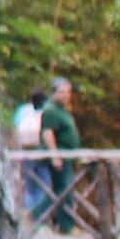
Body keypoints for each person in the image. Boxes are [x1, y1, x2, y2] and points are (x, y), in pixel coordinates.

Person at [42, 75, 83, 230]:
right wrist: (55, 155)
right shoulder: (51, 109)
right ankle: (66, 227)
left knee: (64, 190)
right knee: (64, 191)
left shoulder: (62, 109)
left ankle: (64, 225)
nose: (66, 95)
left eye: (68, 92)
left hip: (68, 157)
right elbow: (47, 133)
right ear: (54, 92)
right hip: (61, 157)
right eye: (63, 92)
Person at [13, 85, 50, 225]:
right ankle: (40, 220)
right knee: (45, 186)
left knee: (30, 188)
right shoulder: (47, 110)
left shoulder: (22, 110)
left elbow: (15, 133)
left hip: (25, 154)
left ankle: (29, 220)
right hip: (42, 154)